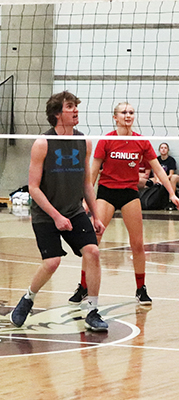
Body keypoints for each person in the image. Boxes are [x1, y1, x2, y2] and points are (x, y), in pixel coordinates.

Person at [10, 91, 108, 332]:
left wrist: (95, 215)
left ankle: (92, 310)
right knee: (52, 262)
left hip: (74, 211)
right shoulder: (43, 143)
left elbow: (87, 182)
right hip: (46, 214)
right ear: (57, 113)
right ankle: (28, 299)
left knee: (93, 252)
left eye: (76, 106)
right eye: (70, 106)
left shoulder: (84, 141)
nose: (76, 110)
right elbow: (33, 188)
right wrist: (56, 216)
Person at [68, 102, 179, 305]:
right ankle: (83, 286)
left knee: (137, 244)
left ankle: (141, 289)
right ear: (115, 117)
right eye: (123, 112)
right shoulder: (106, 141)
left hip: (130, 193)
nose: (128, 115)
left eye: (131, 112)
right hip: (107, 193)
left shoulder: (142, 142)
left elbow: (158, 169)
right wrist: (86, 200)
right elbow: (93, 172)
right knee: (93, 243)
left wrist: (172, 193)